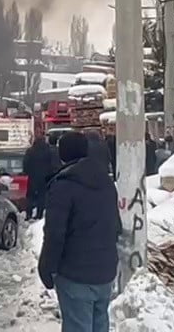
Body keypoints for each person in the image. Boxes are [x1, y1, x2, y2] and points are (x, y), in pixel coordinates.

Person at [38, 131, 120, 332]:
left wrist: (46, 268)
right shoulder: (106, 183)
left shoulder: (63, 186)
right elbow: (116, 226)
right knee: (100, 326)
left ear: (62, 154)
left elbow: (55, 234)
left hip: (75, 274)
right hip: (105, 272)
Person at [23, 135, 53, 221]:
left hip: (33, 176)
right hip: (45, 177)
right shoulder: (48, 151)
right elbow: (51, 164)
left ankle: (29, 214)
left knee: (30, 196)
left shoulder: (30, 151)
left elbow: (26, 163)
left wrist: (27, 172)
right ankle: (39, 214)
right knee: (42, 196)